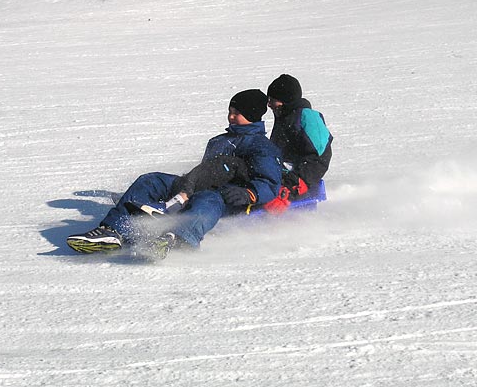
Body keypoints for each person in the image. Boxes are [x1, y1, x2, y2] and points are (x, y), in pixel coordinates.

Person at [66, 89, 282, 259]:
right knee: (151, 180)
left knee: (208, 200)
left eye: (237, 113)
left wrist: (251, 194)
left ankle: (178, 239)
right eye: (230, 111)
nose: (231, 117)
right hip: (194, 185)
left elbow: (270, 181)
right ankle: (114, 230)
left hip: (225, 196)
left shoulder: (260, 145)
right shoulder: (218, 140)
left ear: (252, 115)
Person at [263, 74, 333, 213]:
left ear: (286, 100)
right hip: (282, 176)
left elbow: (318, 159)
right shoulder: (285, 117)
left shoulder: (308, 118)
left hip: (298, 183)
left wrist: (293, 186)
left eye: (273, 100)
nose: (269, 104)